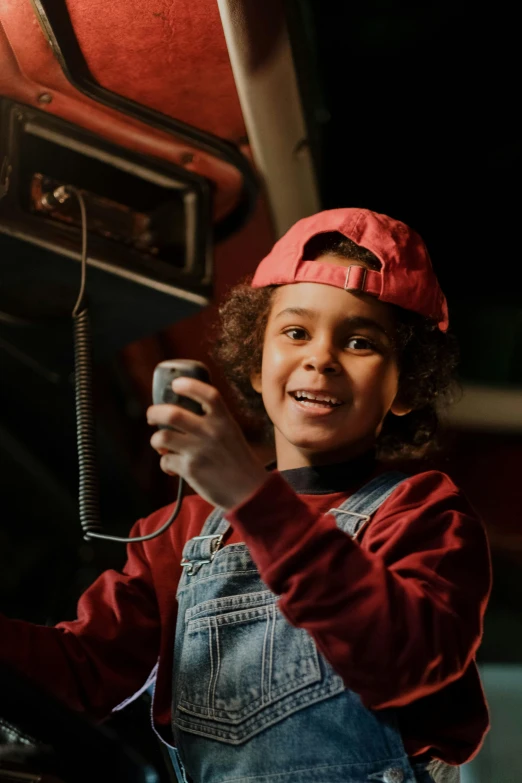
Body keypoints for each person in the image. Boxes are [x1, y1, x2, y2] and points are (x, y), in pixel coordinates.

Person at [0, 208, 491, 783]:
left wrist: (248, 495)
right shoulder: (178, 531)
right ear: (256, 363)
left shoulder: (422, 513)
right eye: (295, 332)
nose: (321, 357)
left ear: (406, 387)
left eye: (360, 341)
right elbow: (80, 675)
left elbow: (403, 661)